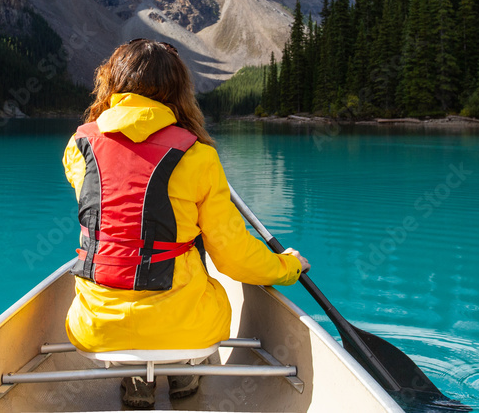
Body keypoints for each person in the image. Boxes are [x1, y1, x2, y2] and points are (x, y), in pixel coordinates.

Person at [61, 39, 311, 408]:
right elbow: (233, 259)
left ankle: (137, 383)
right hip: (185, 328)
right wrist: (287, 266)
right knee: (190, 251)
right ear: (179, 91)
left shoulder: (79, 146)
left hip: (95, 328)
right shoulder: (198, 156)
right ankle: (182, 372)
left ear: (111, 84)